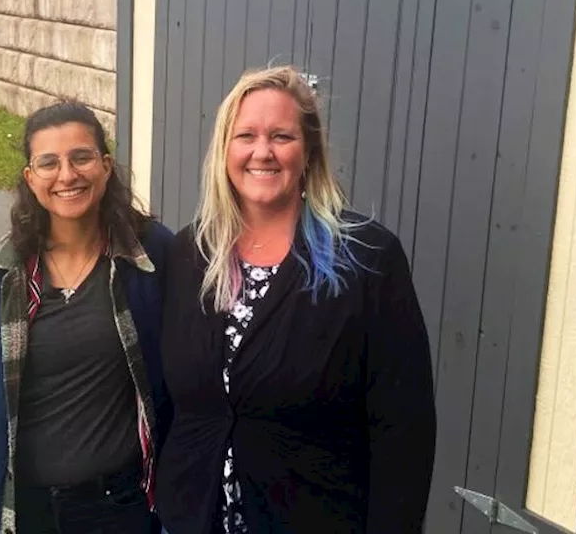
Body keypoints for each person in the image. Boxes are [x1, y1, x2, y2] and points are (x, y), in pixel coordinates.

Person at [156, 66, 437, 533]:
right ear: (224, 150)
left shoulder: (366, 259)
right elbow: (171, 400)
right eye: (245, 135)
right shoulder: (192, 252)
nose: (261, 151)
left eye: (281, 136)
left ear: (308, 152)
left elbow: (404, 429)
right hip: (191, 516)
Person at [0, 101, 174, 534]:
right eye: (48, 163)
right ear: (30, 179)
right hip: (20, 513)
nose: (67, 175)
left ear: (106, 166)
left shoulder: (152, 260)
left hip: (123, 509)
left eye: (82, 157)